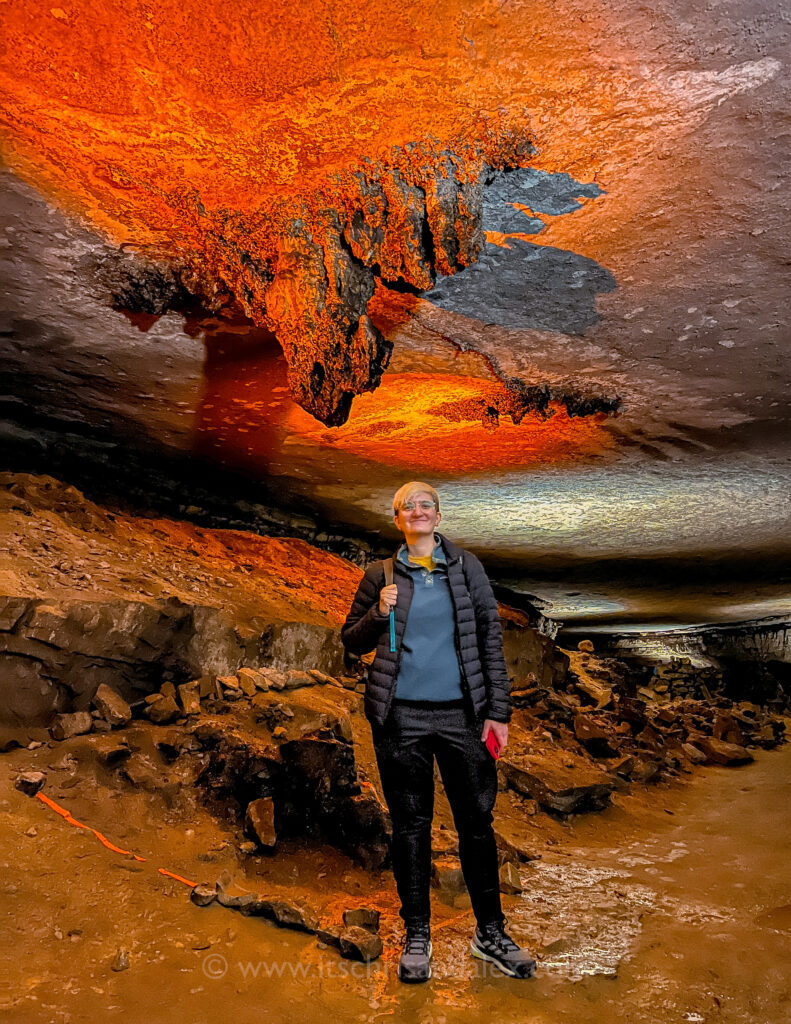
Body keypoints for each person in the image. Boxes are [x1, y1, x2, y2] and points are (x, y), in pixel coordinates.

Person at [341, 481, 537, 983]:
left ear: (438, 515)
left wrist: (499, 712)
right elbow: (352, 641)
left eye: (427, 503)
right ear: (397, 518)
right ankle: (417, 934)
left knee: (476, 823)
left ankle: (490, 932)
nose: (419, 510)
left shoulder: (466, 567)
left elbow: (490, 640)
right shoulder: (379, 574)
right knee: (411, 826)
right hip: (400, 717)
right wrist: (376, 612)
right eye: (409, 505)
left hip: (463, 717)